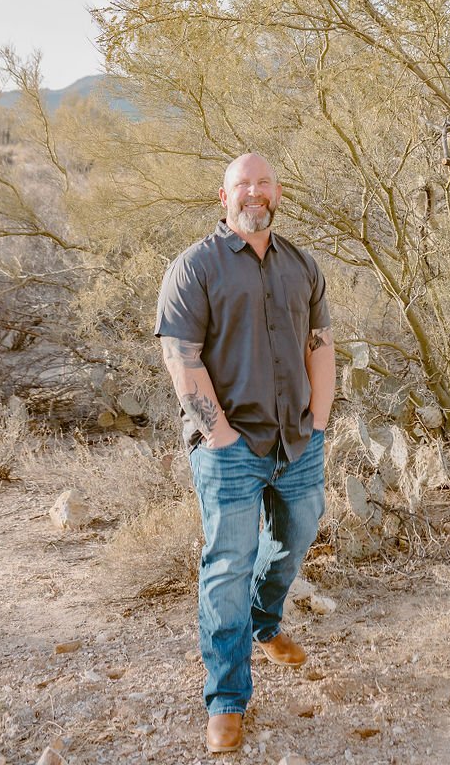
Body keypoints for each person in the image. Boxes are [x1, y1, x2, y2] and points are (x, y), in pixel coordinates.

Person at [155, 152, 334, 756]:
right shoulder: (194, 268)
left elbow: (320, 344)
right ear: (223, 196)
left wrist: (321, 421)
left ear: (277, 192)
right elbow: (181, 356)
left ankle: (265, 620)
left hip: (298, 440)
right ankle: (227, 699)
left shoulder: (301, 265)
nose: (252, 193)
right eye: (241, 185)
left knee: (298, 534)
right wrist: (219, 435)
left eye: (261, 183)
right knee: (227, 565)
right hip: (229, 444)